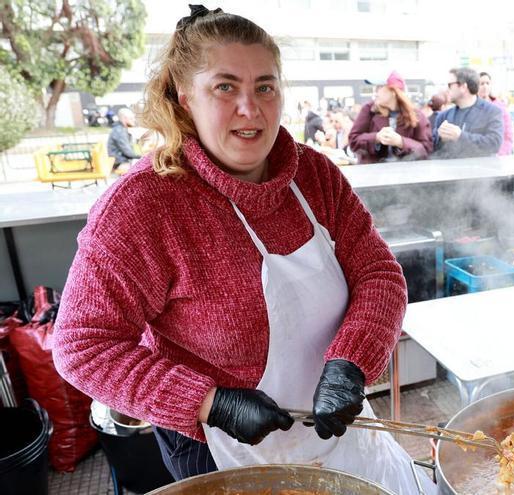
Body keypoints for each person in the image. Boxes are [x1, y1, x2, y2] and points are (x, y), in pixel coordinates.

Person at [51, 7, 434, 494]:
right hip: (220, 445)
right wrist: (211, 403)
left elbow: (378, 272)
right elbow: (83, 345)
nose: (250, 108)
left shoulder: (312, 175)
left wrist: (351, 362)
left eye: (265, 87)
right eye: (225, 87)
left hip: (339, 422)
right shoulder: (143, 208)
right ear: (185, 97)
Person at [348, 71, 432, 163]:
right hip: (373, 173)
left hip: (406, 173)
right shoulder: (369, 110)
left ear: (393, 91)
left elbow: (426, 151)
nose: (375, 92)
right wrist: (376, 137)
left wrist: (401, 142)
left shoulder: (416, 115)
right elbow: (353, 141)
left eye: (379, 87)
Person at [431, 67, 503, 159]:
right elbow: (433, 148)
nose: (447, 89)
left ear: (463, 87)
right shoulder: (443, 116)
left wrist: (460, 136)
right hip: (450, 172)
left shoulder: (491, 112)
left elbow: (494, 144)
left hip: (482, 172)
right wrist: (440, 138)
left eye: (450, 85)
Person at [478, 71, 513, 155]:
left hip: (499, 154)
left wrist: (502, 152)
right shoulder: (472, 107)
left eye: (487, 83)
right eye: (482, 83)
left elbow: (508, 132)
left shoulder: (500, 106)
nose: (485, 86)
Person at [107, 107, 141, 173]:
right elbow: (128, 153)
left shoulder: (120, 129)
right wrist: (144, 157)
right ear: (125, 119)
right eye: (131, 118)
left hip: (121, 161)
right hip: (119, 163)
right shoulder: (119, 131)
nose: (134, 120)